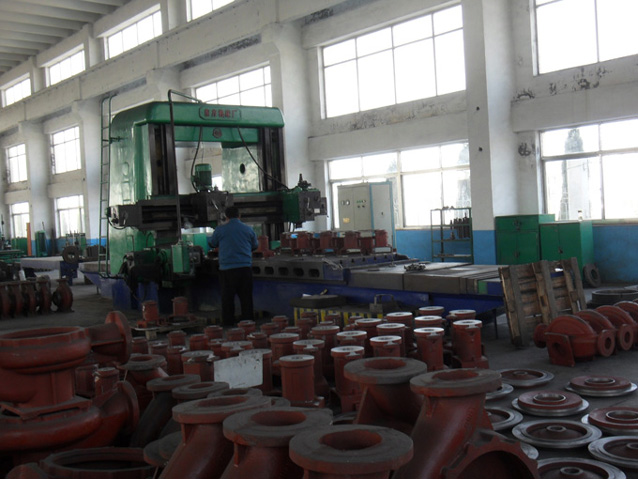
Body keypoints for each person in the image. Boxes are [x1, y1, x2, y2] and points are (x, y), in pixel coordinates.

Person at [209, 206, 258, 327]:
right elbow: (255, 246)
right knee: (246, 298)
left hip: (227, 270)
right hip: (244, 269)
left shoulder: (220, 230)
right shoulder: (248, 229)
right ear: (239, 215)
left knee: (227, 298)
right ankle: (248, 323)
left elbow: (212, 243)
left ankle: (228, 324)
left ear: (226, 216)